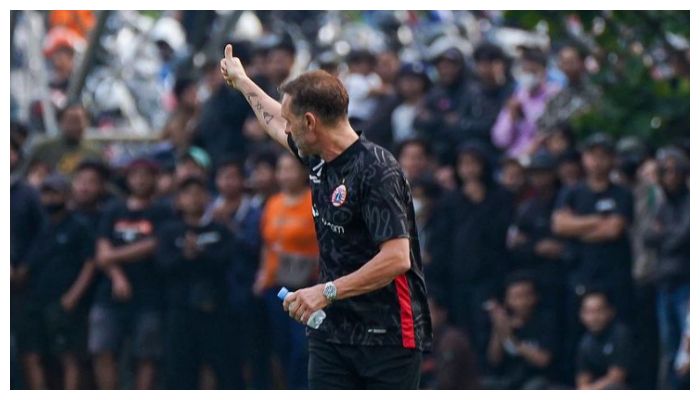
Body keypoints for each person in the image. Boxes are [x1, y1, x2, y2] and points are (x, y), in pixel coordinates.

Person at [220, 43, 432, 389]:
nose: (285, 131)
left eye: (292, 123)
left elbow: (396, 259)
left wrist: (326, 291)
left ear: (310, 122)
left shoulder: (377, 170)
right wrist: (243, 81)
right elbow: (274, 119)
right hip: (332, 330)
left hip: (388, 335)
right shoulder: (318, 156)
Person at [552, 133, 635, 379]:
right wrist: (596, 222)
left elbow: (614, 229)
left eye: (603, 156)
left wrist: (576, 227)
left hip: (613, 278)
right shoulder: (571, 192)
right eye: (591, 156)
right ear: (584, 159)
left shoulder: (622, 194)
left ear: (611, 160)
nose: (597, 162)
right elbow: (559, 226)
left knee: (617, 336)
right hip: (581, 275)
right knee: (577, 338)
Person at [428, 140, 513, 366]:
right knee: (462, 328)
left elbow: (502, 235)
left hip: (490, 277)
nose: (469, 169)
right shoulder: (450, 200)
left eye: (474, 163)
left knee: (485, 327)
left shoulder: (500, 197)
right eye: (464, 164)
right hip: (457, 278)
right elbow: (442, 240)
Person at [89, 158, 171, 389]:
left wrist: (113, 258)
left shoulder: (162, 210)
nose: (141, 179)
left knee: (147, 354)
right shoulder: (114, 208)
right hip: (110, 293)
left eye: (146, 174)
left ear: (155, 179)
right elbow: (101, 247)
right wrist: (117, 276)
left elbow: (154, 244)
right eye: (136, 174)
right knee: (101, 348)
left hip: (149, 294)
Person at [157, 177, 243, 389]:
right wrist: (184, 255)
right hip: (180, 311)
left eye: (198, 193)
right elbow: (162, 265)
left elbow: (228, 260)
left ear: (207, 198)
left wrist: (201, 253)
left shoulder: (220, 230)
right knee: (180, 371)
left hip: (215, 310)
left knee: (224, 369)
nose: (193, 199)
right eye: (187, 194)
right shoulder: (169, 231)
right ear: (178, 200)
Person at [16, 174, 96, 389]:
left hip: (64, 301)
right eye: (46, 193)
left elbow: (91, 263)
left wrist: (73, 296)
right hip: (35, 299)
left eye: (55, 193)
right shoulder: (40, 227)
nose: (50, 198)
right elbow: (28, 262)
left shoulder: (79, 225)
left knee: (68, 357)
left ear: (67, 195)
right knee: (33, 355)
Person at [254, 152, 319, 389]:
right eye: (281, 169)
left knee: (302, 347)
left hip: (305, 284)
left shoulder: (314, 201)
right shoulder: (273, 203)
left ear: (303, 172)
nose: (285, 175)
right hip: (275, 285)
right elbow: (267, 243)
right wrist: (262, 274)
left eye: (291, 169)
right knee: (279, 345)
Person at [205, 157, 269, 388]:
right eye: (223, 177)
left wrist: (227, 225)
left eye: (233, 177)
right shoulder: (209, 209)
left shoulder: (255, 212)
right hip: (216, 293)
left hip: (247, 291)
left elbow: (254, 247)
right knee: (221, 354)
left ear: (243, 181)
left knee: (253, 353)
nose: (228, 182)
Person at [644, 147, 689, 389]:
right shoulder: (660, 203)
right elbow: (648, 236)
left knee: (689, 347)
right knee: (669, 348)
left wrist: (664, 235)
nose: (669, 176)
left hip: (687, 284)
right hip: (664, 283)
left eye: (674, 171)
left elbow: (681, 237)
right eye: (665, 171)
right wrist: (664, 236)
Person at [484, 272, 557, 389]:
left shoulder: (546, 321)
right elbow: (494, 360)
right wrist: (498, 330)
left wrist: (515, 341)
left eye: (525, 296)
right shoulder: (505, 321)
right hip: (509, 377)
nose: (521, 302)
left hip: (538, 379)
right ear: (507, 300)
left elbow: (544, 361)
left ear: (535, 297)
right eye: (515, 297)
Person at [492, 47, 559, 157]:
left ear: (544, 72)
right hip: (515, 159)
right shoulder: (517, 98)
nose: (528, 76)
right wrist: (512, 117)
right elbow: (500, 140)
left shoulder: (554, 95)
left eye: (533, 71)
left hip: (543, 159)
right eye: (525, 71)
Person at [575, 290, 635, 389]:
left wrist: (590, 390)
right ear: (582, 315)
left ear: (610, 311)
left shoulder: (620, 334)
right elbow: (582, 380)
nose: (594, 317)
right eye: (589, 312)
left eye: (599, 311)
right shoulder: (585, 342)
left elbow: (617, 377)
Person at [23, 103, 103, 176]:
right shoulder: (44, 149)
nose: (75, 126)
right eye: (71, 121)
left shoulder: (94, 152)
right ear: (60, 122)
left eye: (80, 121)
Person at [537, 44, 601, 131]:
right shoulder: (559, 95)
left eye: (571, 62)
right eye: (564, 63)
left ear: (581, 62)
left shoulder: (594, 91)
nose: (567, 67)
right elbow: (543, 122)